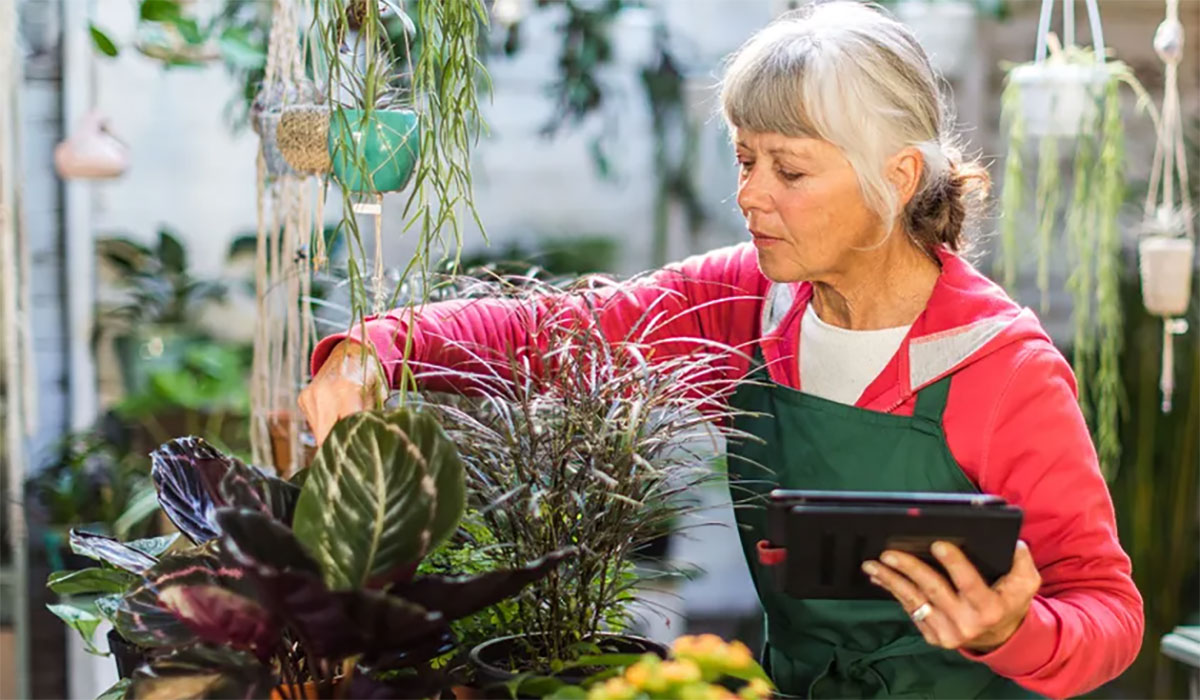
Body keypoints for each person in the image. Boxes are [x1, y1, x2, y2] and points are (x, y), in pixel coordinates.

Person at [298, 2, 1143, 697]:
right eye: (744, 159)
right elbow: (561, 331)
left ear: (897, 175)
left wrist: (1014, 630)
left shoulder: (1000, 367)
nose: (749, 195)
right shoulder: (749, 303)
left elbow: (1109, 612)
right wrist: (379, 347)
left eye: (790, 170)